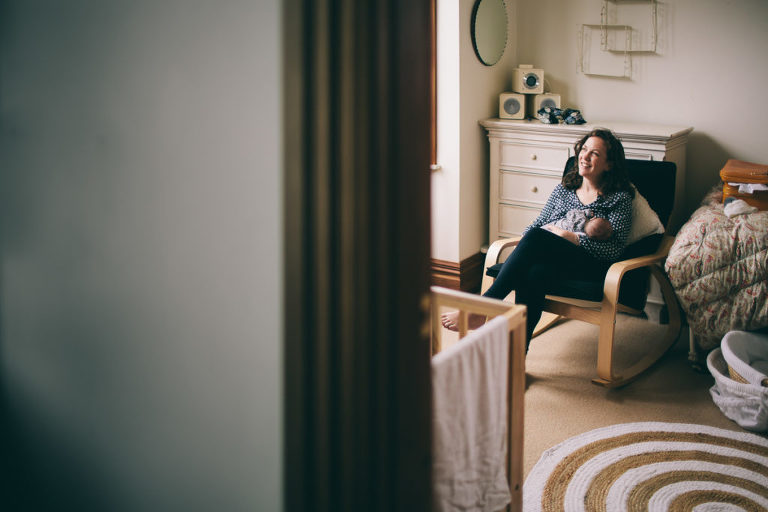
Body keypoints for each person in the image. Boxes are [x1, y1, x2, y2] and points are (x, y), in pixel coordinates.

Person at [441, 128, 635, 346]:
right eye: (584, 149)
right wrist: (532, 244)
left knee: (537, 239)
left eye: (595, 154)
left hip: (591, 265)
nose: (585, 156)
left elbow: (615, 249)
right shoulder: (564, 189)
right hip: (553, 259)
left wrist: (571, 237)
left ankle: (482, 306)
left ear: (609, 164)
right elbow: (537, 224)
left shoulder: (619, 198)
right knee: (534, 273)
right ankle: (516, 361)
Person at [544, 209, 613, 240]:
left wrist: (587, 212)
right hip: (557, 229)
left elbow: (571, 212)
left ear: (592, 218)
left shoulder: (582, 216)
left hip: (559, 224)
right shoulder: (582, 234)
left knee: (541, 230)